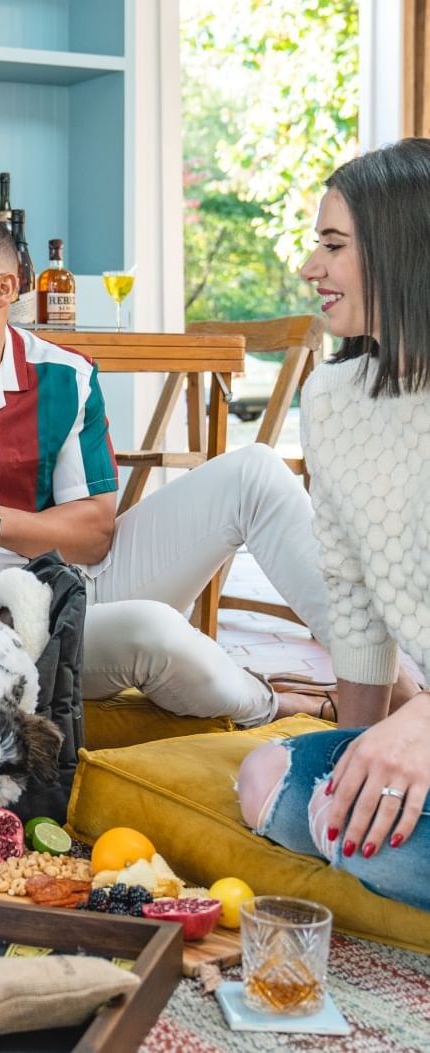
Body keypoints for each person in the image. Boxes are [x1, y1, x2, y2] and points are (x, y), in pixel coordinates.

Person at [0, 212, 418, 729]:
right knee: (156, 631)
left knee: (255, 469)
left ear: (3, 289)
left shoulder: (63, 377)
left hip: (81, 579)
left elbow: (95, 536)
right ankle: (279, 705)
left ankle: (397, 685)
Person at [237, 138, 430, 909]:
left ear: (404, 250)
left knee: (355, 832)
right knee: (272, 781)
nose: (310, 268)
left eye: (334, 245)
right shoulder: (333, 398)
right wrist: (361, 754)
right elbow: (352, 600)